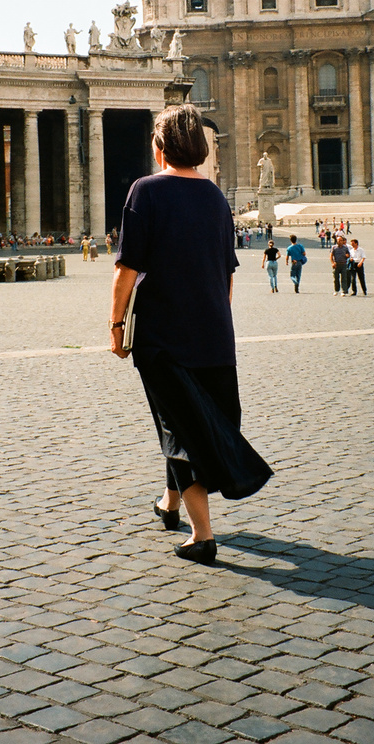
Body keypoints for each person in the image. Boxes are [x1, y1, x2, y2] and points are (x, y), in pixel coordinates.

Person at [110, 104, 272, 565]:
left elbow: (127, 270)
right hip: (215, 334)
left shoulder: (146, 191)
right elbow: (227, 274)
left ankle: (202, 536)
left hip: (163, 338)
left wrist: (117, 325)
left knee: (181, 427)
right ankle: (170, 503)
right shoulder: (217, 199)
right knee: (183, 420)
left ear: (160, 148)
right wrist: (213, 318)